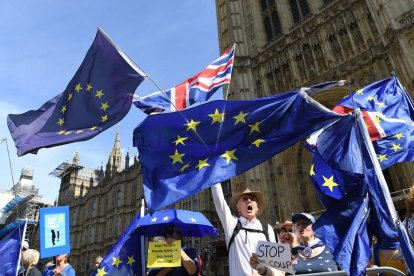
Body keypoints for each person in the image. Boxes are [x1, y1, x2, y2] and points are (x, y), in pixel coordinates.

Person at [211, 183, 282, 276]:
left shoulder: (267, 229)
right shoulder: (232, 224)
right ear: (238, 208)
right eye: (245, 199)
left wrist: (260, 272)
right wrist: (214, 177)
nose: (249, 201)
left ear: (257, 208)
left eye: (252, 199)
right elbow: (219, 201)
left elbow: (276, 265)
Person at [250, 212, 339, 275]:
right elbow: (279, 274)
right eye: (297, 224)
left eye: (305, 223)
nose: (300, 226)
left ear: (315, 226)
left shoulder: (332, 248)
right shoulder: (286, 253)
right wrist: (261, 269)